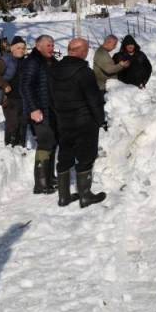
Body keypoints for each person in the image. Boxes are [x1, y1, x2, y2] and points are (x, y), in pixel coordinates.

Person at [49, 38, 106, 208]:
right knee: (86, 157)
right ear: (81, 51)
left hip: (64, 121)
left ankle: (64, 197)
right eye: (87, 49)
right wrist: (100, 120)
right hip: (84, 122)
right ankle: (85, 195)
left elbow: (50, 97)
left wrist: (59, 114)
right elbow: (94, 99)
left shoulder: (54, 70)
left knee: (65, 155)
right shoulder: (84, 72)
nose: (87, 52)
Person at [20, 35, 58, 194]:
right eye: (48, 45)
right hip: (39, 110)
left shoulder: (51, 61)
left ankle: (49, 177)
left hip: (52, 110)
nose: (51, 48)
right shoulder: (33, 62)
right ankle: (40, 183)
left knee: (53, 142)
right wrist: (33, 109)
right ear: (38, 46)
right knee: (45, 143)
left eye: (52, 45)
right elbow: (25, 86)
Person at [0, 36, 27, 146]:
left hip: (23, 98)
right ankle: (10, 147)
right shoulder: (4, 60)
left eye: (23, 48)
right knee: (12, 123)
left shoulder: (26, 62)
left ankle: (21, 147)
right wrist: (4, 85)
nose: (21, 50)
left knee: (23, 123)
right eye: (18, 48)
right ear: (12, 48)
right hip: (9, 98)